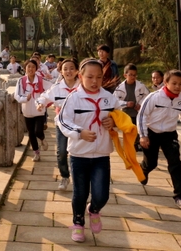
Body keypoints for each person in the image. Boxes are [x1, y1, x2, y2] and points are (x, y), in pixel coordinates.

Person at [58, 58, 120, 242]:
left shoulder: (109, 98)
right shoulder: (73, 98)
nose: (95, 81)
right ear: (80, 76)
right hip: (79, 155)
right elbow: (62, 120)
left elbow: (121, 115)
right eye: (90, 77)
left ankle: (93, 209)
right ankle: (78, 223)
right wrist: (79, 133)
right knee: (80, 193)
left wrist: (114, 121)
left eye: (99, 77)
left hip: (101, 154)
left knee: (102, 195)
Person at [137, 70, 181, 210]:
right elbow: (142, 115)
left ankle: (180, 196)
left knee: (175, 163)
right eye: (174, 83)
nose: (178, 86)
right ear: (165, 83)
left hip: (169, 135)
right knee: (151, 162)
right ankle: (144, 169)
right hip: (151, 133)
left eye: (180, 84)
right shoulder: (154, 97)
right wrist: (143, 135)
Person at [37, 58, 79, 191]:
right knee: (61, 151)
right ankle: (65, 176)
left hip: (80, 124)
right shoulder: (57, 87)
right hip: (62, 124)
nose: (68, 71)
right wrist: (40, 104)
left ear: (77, 71)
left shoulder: (83, 87)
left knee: (78, 153)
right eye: (65, 69)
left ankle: (79, 178)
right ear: (61, 71)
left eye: (71, 68)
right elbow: (44, 97)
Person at [14, 59, 48, 162]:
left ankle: (42, 138)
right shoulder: (21, 81)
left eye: (33, 67)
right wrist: (25, 99)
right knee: (31, 133)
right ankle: (36, 153)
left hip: (39, 111)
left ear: (36, 69)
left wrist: (44, 102)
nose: (31, 69)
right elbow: (17, 95)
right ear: (25, 68)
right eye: (28, 67)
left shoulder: (41, 80)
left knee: (38, 131)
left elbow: (50, 91)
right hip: (27, 112)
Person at [113, 63, 150, 151]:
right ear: (125, 75)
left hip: (137, 112)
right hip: (126, 112)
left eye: (134, 75)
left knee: (136, 128)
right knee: (128, 130)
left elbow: (147, 96)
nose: (133, 77)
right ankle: (130, 145)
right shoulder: (119, 88)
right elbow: (114, 101)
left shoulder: (141, 86)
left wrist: (140, 104)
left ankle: (136, 144)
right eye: (130, 75)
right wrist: (126, 104)